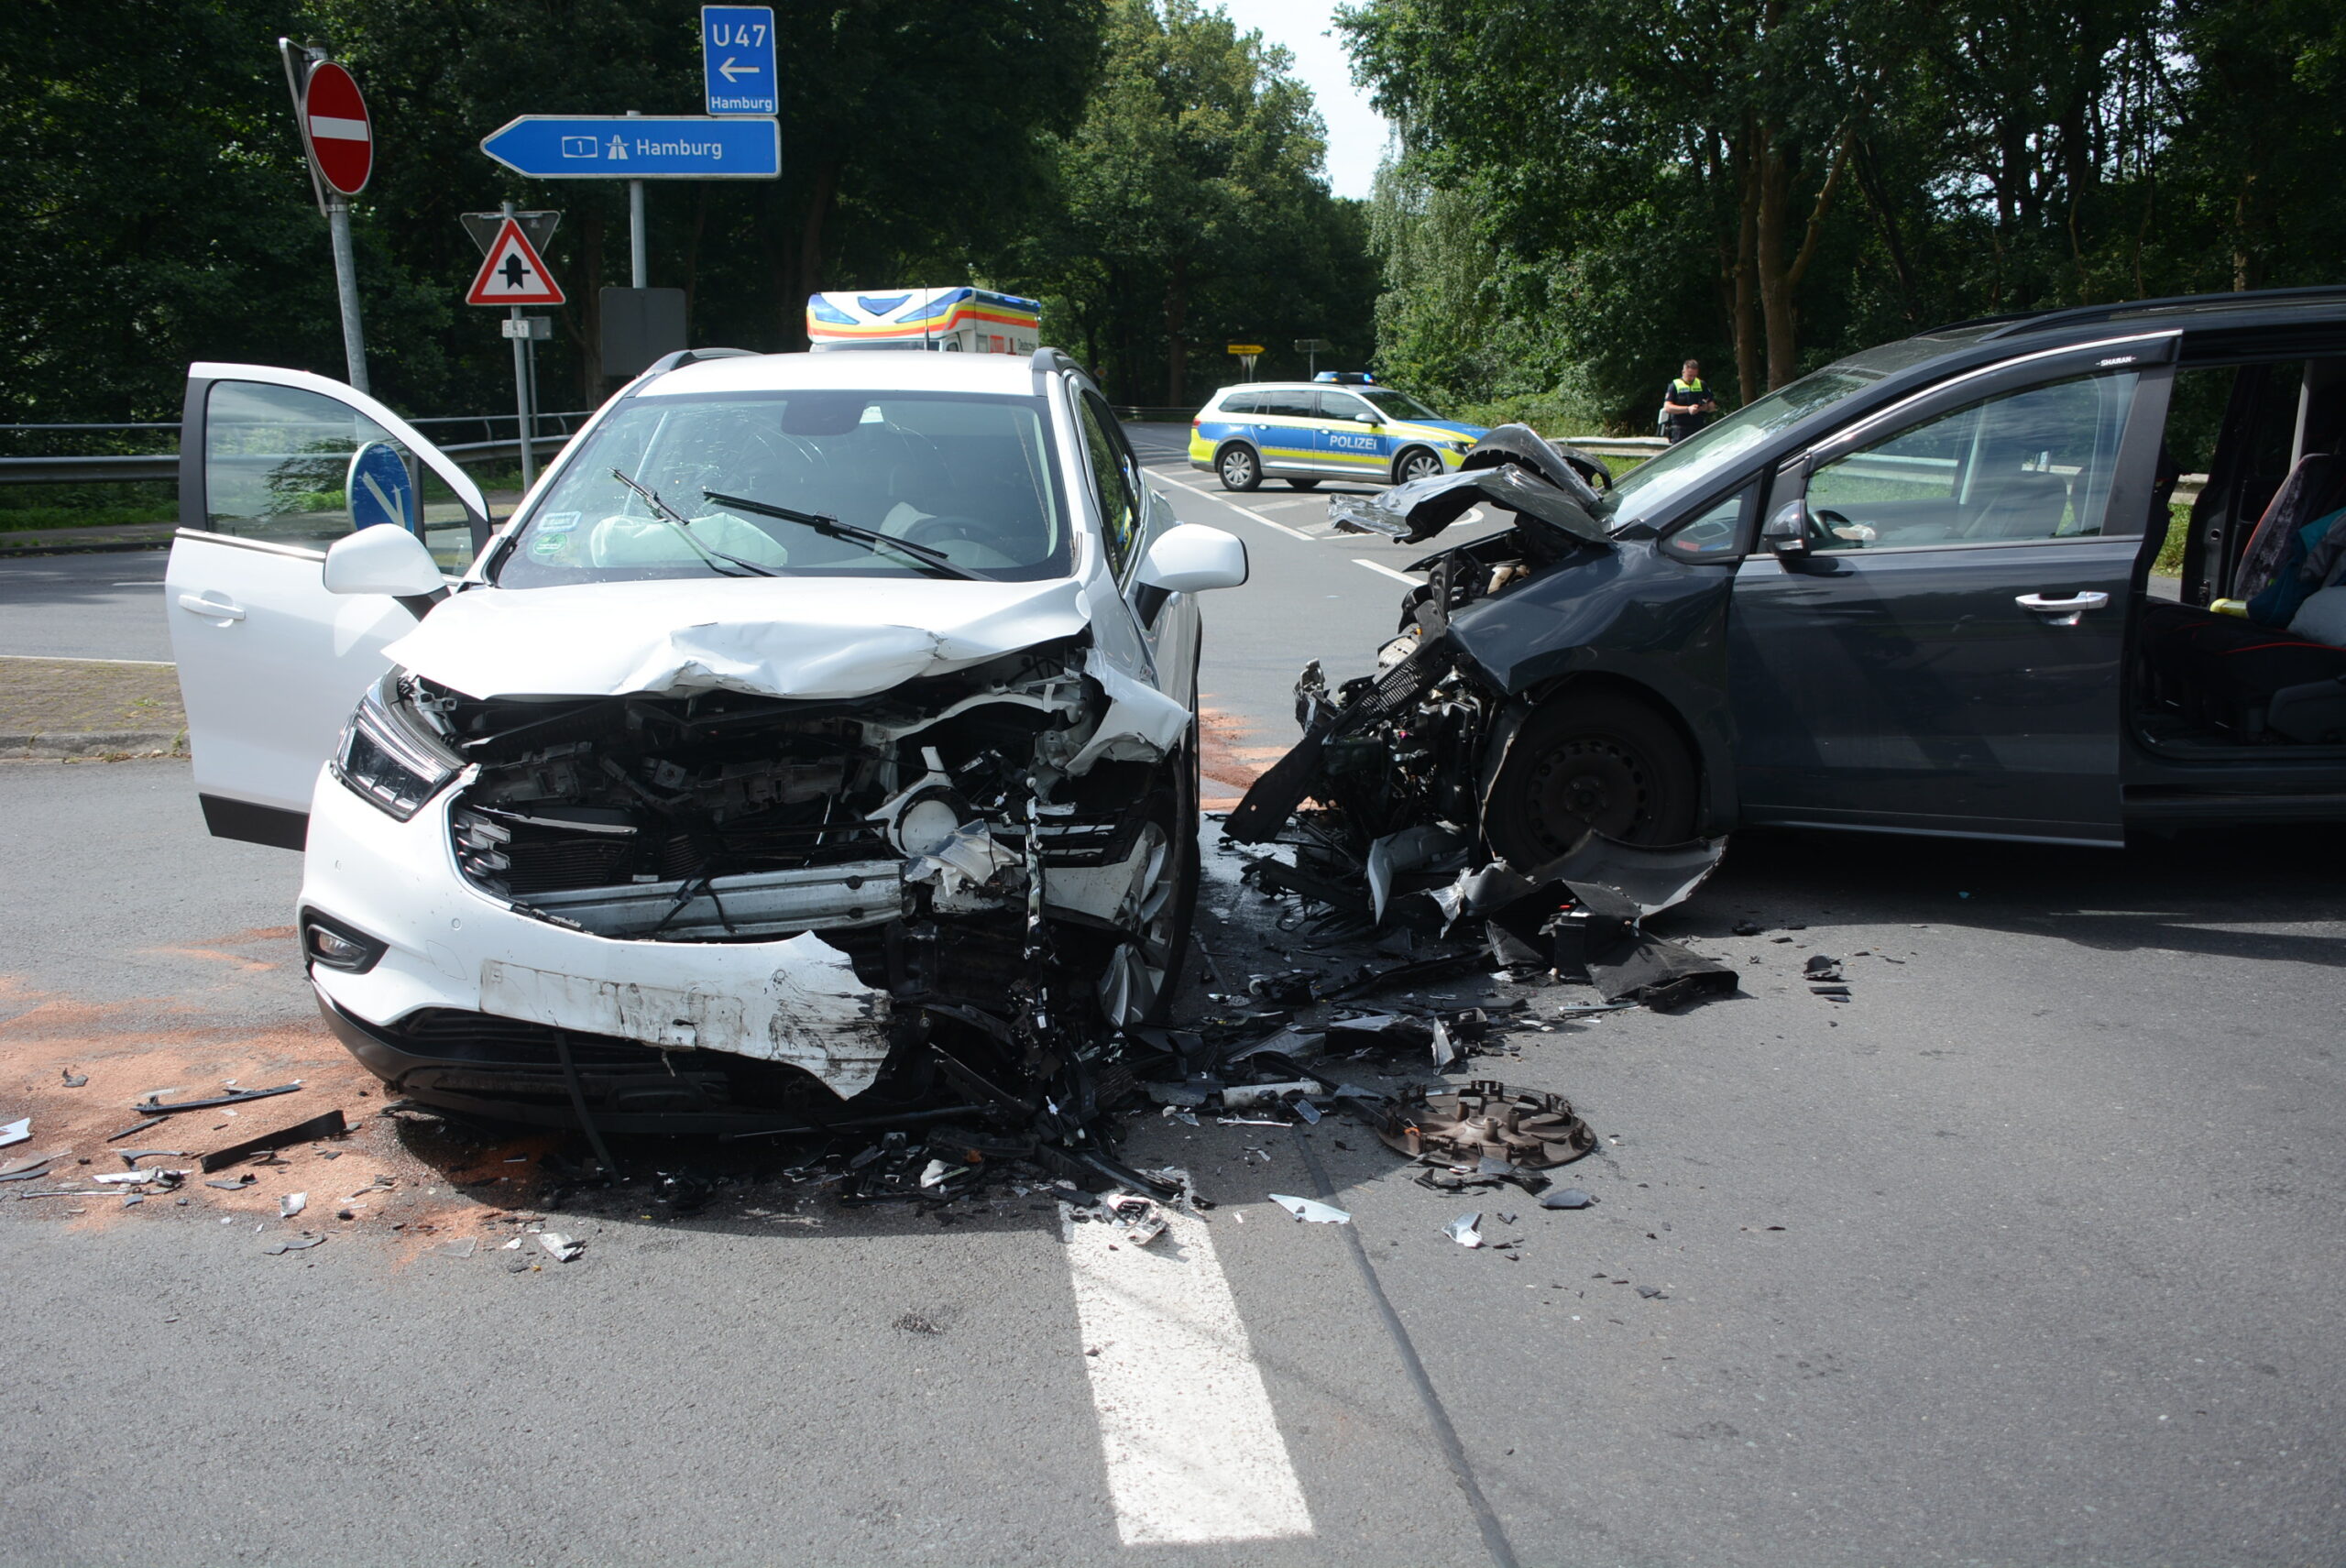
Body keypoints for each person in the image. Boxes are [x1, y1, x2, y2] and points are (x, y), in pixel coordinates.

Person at [1661, 359, 1717, 444]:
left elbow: (1712, 406)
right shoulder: (1674, 385)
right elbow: (1667, 407)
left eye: (1694, 376)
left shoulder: (1701, 384)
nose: (1692, 378)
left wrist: (1704, 408)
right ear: (1683, 372)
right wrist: (1688, 409)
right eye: (1690, 375)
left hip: (1698, 427)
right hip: (1680, 429)